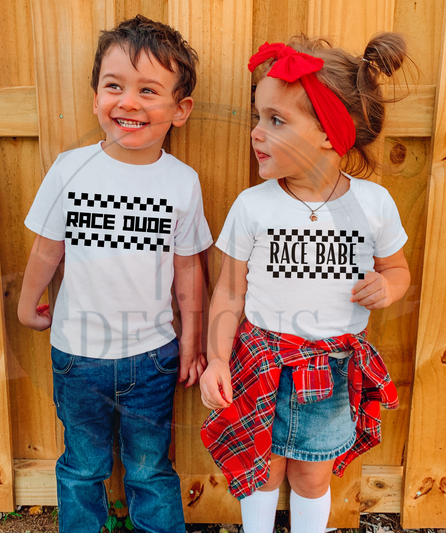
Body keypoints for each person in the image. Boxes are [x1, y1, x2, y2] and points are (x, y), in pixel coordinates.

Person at [199, 34, 412, 533]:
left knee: (312, 475)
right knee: (261, 468)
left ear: (329, 134)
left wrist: (388, 287)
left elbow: (398, 270)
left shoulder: (373, 205)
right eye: (258, 117)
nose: (256, 132)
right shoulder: (253, 206)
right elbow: (229, 291)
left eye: (276, 120)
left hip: (332, 367)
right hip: (260, 361)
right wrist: (216, 359)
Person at [18, 15, 212, 533]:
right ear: (96, 97)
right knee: (82, 468)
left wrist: (193, 341)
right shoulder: (70, 169)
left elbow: (188, 268)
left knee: (150, 469)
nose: (128, 102)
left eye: (148, 90)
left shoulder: (182, 182)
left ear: (180, 110)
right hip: (76, 356)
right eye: (114, 86)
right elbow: (47, 247)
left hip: (152, 357)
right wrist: (27, 303)